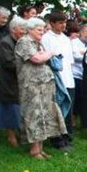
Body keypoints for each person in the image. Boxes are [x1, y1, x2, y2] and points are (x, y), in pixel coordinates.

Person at [14, 17, 68, 159]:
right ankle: (34, 149)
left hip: (44, 85)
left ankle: (40, 148)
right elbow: (36, 59)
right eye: (39, 30)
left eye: (43, 29)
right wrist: (49, 53)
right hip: (31, 87)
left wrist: (45, 54)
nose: (42, 32)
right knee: (34, 116)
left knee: (44, 115)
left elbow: (41, 57)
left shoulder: (38, 44)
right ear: (30, 29)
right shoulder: (24, 42)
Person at [42, 11, 76, 151]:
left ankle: (66, 134)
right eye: (60, 22)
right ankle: (56, 138)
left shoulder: (66, 39)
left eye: (65, 22)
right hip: (56, 78)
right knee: (57, 108)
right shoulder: (46, 38)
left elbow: (69, 61)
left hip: (68, 77)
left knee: (68, 107)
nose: (63, 25)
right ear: (52, 23)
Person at [0, 17, 25, 148]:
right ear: (13, 29)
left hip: (19, 81)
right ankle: (11, 136)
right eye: (21, 29)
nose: (24, 31)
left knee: (18, 109)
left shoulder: (21, 42)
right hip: (7, 81)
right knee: (10, 109)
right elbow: (9, 63)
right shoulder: (5, 43)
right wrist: (27, 62)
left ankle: (19, 134)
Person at [71, 23, 87, 127]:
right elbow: (75, 56)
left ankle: (82, 121)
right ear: (80, 32)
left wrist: (83, 53)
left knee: (84, 99)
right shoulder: (73, 42)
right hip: (75, 74)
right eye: (86, 33)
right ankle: (72, 121)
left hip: (86, 76)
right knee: (75, 99)